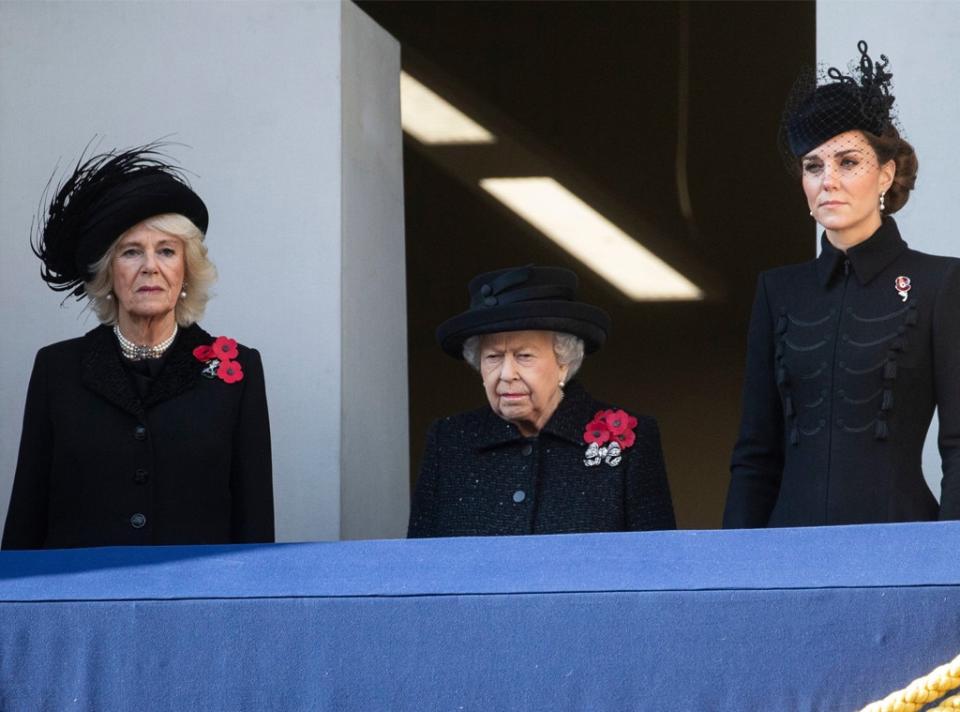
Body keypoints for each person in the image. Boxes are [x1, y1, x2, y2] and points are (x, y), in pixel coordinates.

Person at [724, 41, 960, 527]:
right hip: (787, 552)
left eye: (848, 162)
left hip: (903, 547)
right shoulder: (778, 291)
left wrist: (946, 564)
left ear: (884, 174)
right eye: (814, 166)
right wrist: (737, 576)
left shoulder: (940, 283)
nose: (827, 179)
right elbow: (755, 455)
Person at [2, 144, 274, 548]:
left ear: (186, 272)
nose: (150, 266)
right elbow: (25, 521)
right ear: (109, 273)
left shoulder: (236, 371)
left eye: (166, 251)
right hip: (80, 605)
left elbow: (254, 530)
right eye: (131, 252)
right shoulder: (56, 370)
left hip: (194, 604)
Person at [407, 265, 676, 537]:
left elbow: (659, 565)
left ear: (564, 362)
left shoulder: (632, 439)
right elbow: (417, 565)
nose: (506, 374)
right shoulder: (450, 440)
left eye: (524, 356)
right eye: (493, 357)